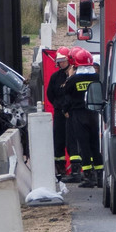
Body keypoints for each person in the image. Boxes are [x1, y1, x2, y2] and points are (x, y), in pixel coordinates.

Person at [64, 49, 103, 188]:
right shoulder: (97, 78)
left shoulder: (73, 80)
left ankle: (88, 177)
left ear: (76, 64)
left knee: (84, 146)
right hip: (93, 114)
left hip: (78, 115)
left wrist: (65, 111)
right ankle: (100, 176)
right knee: (95, 145)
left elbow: (66, 98)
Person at [46, 47, 73, 182]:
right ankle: (60, 166)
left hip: (72, 113)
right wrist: (59, 106)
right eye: (59, 61)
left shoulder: (74, 76)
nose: (61, 63)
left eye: (63, 61)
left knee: (73, 140)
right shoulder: (55, 77)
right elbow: (50, 94)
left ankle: (77, 167)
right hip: (59, 113)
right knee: (59, 139)